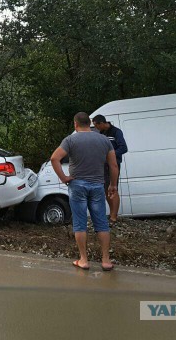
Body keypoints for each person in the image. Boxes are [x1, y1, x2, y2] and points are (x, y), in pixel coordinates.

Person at [51, 112, 119, 271]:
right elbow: (113, 165)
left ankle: (84, 260)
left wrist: (64, 178)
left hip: (77, 186)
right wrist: (113, 185)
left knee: (80, 223)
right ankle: (106, 261)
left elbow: (55, 158)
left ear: (75, 124)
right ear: (90, 123)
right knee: (101, 223)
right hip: (97, 185)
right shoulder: (104, 140)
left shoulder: (70, 140)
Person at [92, 114, 128, 223]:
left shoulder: (116, 132)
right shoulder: (102, 134)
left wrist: (111, 155)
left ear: (101, 123)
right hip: (103, 164)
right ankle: (111, 213)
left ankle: (114, 216)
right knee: (105, 189)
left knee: (113, 188)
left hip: (113, 164)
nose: (96, 128)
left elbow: (123, 148)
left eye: (96, 126)